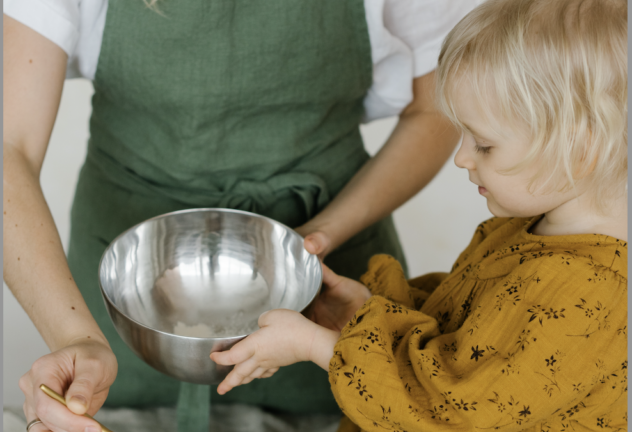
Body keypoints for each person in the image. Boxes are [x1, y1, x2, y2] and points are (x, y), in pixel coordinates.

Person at [3, 0, 477, 431]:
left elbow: (434, 109)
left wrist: (319, 237)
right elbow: (10, 149)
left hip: (327, 287)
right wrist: (76, 337)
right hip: (130, 298)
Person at [211, 0, 628, 430]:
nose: (462, 158)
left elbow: (448, 415)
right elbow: (459, 334)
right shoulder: (529, 229)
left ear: (581, 151)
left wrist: (320, 347)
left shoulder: (594, 294)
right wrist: (366, 313)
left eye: (483, 144)